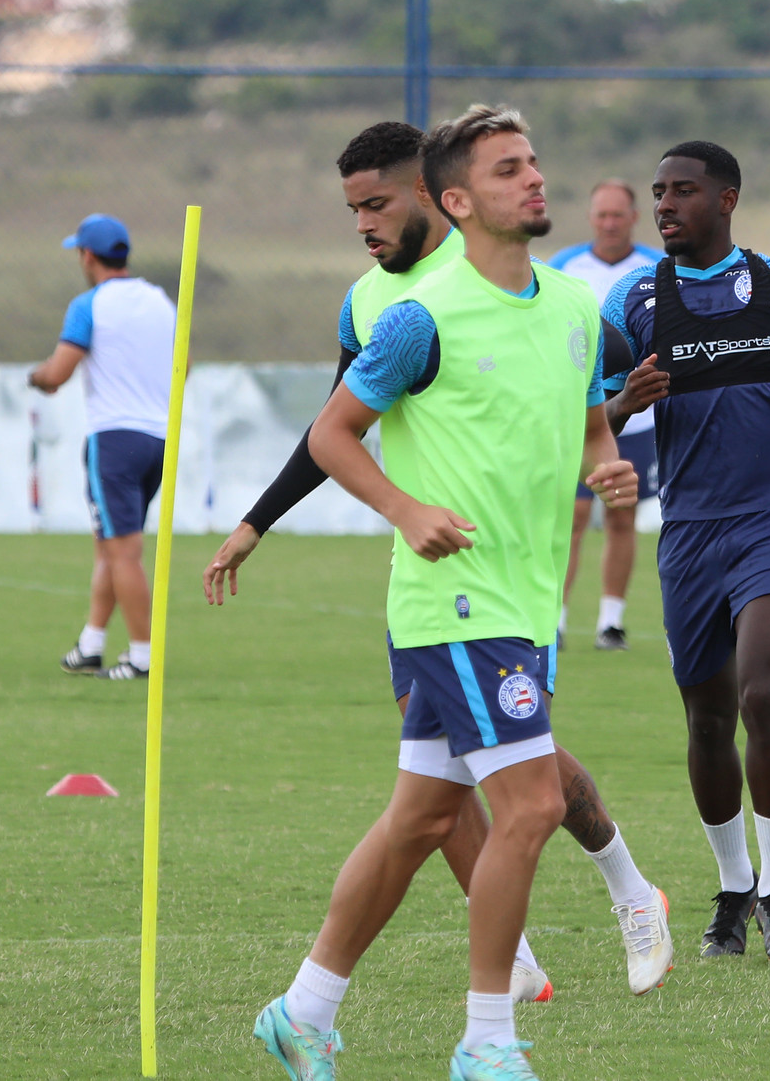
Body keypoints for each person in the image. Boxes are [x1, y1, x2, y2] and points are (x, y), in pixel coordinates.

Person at [208, 120, 671, 1012]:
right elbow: (332, 429)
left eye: (374, 203)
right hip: (443, 585)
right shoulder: (386, 309)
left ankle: (311, 1007)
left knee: (454, 794)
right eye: (351, 210)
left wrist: (607, 438)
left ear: (430, 195)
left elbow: (575, 396)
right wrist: (262, 520)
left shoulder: (550, 294)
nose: (363, 225)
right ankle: (503, 992)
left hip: (523, 583)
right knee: (503, 788)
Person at [601, 139, 770, 963]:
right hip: (689, 533)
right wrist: (623, 401)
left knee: (760, 692)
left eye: (682, 191)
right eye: (657, 193)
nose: (665, 205)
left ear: (728, 199)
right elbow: (585, 419)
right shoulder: (634, 298)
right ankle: (733, 888)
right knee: (707, 717)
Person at [32, 214, 176, 682]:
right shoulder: (159, 301)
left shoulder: (89, 304)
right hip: (158, 439)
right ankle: (91, 644)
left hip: (113, 441)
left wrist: (35, 377)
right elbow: (183, 365)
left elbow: (57, 374)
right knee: (109, 548)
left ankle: (140, 656)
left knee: (123, 552)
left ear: (87, 256)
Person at [551, 180, 666, 651]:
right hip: (582, 415)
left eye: (618, 215)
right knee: (573, 516)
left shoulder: (658, 267)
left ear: (634, 217)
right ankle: (554, 617)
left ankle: (611, 622)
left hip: (638, 419)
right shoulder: (564, 267)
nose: (609, 223)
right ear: (591, 217)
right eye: (602, 215)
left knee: (621, 516)